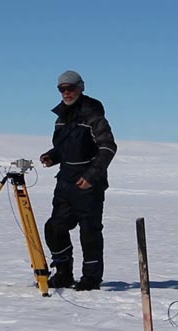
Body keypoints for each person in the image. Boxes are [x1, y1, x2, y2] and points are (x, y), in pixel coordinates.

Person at [40, 70, 117, 291]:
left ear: (80, 88)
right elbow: (65, 148)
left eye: (70, 88)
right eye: (62, 89)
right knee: (54, 228)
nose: (66, 93)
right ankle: (64, 273)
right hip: (65, 182)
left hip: (88, 186)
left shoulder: (93, 115)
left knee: (89, 232)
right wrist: (52, 156)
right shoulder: (61, 119)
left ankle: (91, 279)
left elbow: (108, 147)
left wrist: (91, 176)